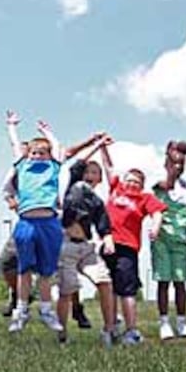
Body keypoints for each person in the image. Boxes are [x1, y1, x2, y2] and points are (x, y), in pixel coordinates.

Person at [3, 112, 98, 335]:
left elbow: (56, 147)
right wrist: (11, 127)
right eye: (34, 152)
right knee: (24, 269)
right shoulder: (23, 166)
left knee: (46, 271)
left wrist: (47, 133)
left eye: (42, 152)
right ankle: (21, 310)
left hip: (49, 224)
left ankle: (46, 310)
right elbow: (16, 145)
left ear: (49, 155)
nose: (37, 155)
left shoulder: (54, 167)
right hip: (26, 222)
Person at [99, 142, 166, 345]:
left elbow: (157, 213)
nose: (131, 184)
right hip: (107, 244)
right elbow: (108, 167)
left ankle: (131, 331)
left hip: (127, 248)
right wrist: (102, 147)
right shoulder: (116, 189)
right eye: (129, 180)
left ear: (142, 185)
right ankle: (110, 328)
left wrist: (155, 228)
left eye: (136, 182)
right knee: (107, 287)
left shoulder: (144, 198)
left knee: (126, 290)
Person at [57, 134, 117, 346]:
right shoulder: (73, 186)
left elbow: (103, 224)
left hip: (87, 248)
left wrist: (108, 239)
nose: (90, 175)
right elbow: (77, 164)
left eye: (95, 173)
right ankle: (62, 334)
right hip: (66, 246)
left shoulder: (97, 201)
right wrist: (97, 145)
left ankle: (109, 330)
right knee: (67, 290)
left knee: (104, 281)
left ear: (99, 179)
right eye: (88, 172)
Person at [151, 141, 186, 340]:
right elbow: (167, 187)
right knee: (163, 281)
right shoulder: (160, 183)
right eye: (174, 163)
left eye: (182, 163)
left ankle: (182, 322)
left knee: (180, 281)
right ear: (166, 163)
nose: (179, 167)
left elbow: (181, 212)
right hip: (162, 239)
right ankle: (164, 322)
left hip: (181, 240)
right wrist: (170, 169)